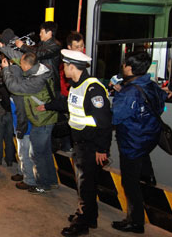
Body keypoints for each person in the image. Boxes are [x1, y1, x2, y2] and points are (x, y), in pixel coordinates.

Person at [111, 51, 167, 234]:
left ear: (130, 68)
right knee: (139, 173)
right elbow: (161, 105)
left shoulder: (128, 93)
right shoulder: (150, 85)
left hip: (132, 143)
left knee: (130, 183)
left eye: (125, 64)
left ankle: (135, 222)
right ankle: (148, 178)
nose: (123, 66)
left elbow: (115, 117)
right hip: (148, 138)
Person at [58, 49, 112, 237]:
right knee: (83, 184)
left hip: (91, 146)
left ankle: (83, 224)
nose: (63, 69)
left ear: (72, 67)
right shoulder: (76, 86)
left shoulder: (92, 88)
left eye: (65, 66)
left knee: (86, 185)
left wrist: (102, 149)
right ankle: (88, 215)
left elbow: (104, 122)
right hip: (80, 144)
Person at [0, 43, 58, 195]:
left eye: (21, 64)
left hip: (42, 120)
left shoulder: (36, 81)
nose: (19, 65)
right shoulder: (37, 67)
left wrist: (6, 70)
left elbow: (14, 88)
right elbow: (19, 57)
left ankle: (43, 184)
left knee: (37, 154)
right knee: (44, 153)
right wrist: (2, 47)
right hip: (44, 118)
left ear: (26, 66)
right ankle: (51, 181)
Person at [14, 22, 62, 93]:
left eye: (41, 32)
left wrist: (23, 46)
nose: (40, 34)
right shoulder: (41, 44)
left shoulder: (55, 45)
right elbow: (35, 50)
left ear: (49, 33)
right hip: (41, 79)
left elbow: (40, 53)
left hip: (51, 81)